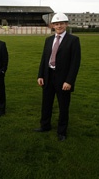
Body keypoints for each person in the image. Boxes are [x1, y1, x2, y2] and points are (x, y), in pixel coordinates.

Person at [34, 12, 81, 141]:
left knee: (63, 106)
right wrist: (40, 75)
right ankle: (45, 125)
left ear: (66, 24)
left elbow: (75, 63)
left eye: (61, 23)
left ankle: (62, 131)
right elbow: (44, 59)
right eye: (56, 24)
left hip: (63, 79)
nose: (59, 26)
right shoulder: (48, 40)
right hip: (48, 76)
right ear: (52, 25)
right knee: (46, 103)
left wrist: (69, 81)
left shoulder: (73, 40)